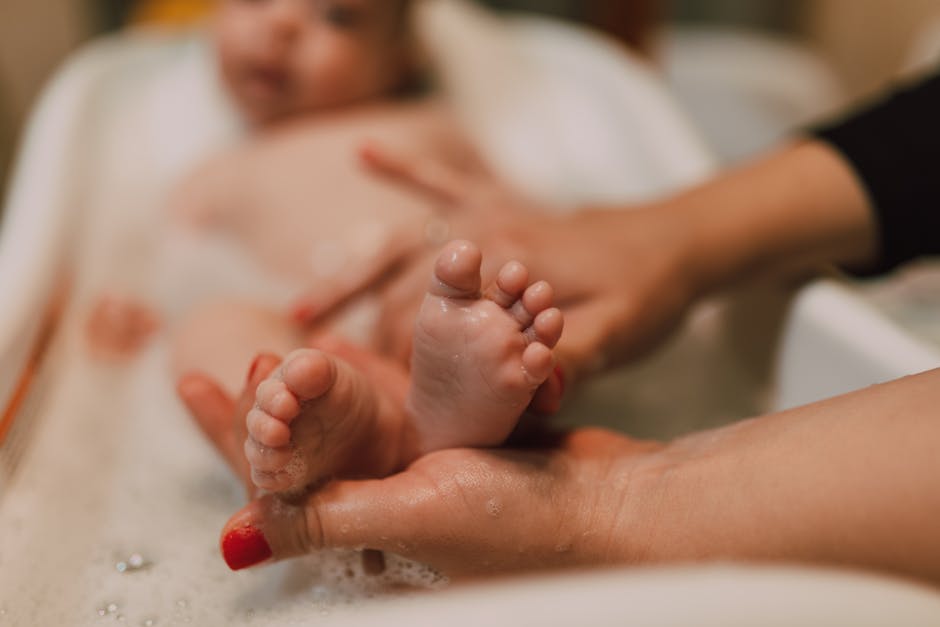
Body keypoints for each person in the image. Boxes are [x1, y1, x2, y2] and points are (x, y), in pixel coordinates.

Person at [181, 71, 940, 582]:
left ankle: (426, 403)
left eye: (341, 14)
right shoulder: (218, 164)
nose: (284, 24)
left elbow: (500, 200)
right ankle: (343, 422)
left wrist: (455, 236)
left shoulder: (425, 120)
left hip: (419, 301)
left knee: (464, 306)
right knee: (226, 327)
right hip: (297, 308)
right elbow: (161, 251)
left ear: (399, 54)